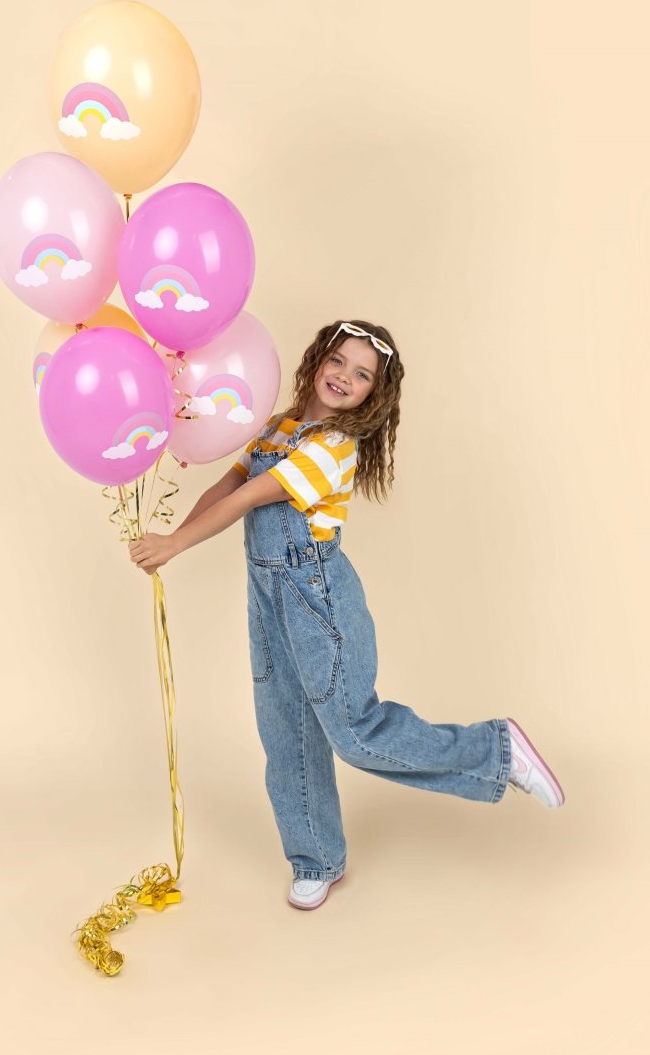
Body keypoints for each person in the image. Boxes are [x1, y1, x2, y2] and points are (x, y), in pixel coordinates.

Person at [128, 319, 565, 911]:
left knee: (355, 733)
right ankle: (315, 857)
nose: (343, 377)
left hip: (319, 601)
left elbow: (251, 497)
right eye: (338, 361)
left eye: (361, 375)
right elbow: (226, 486)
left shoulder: (333, 447)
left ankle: (497, 749)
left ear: (372, 395)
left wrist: (176, 545)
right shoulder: (276, 428)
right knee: (285, 731)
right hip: (268, 598)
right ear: (317, 359)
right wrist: (170, 540)